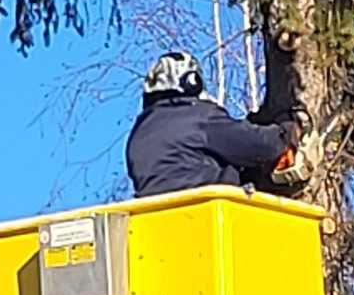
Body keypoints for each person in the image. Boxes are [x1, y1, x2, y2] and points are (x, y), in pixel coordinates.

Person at [125, 49, 300, 197]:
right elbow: (253, 143)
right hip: (207, 211)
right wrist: (285, 134)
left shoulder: (139, 134)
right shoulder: (197, 116)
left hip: (159, 224)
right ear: (191, 82)